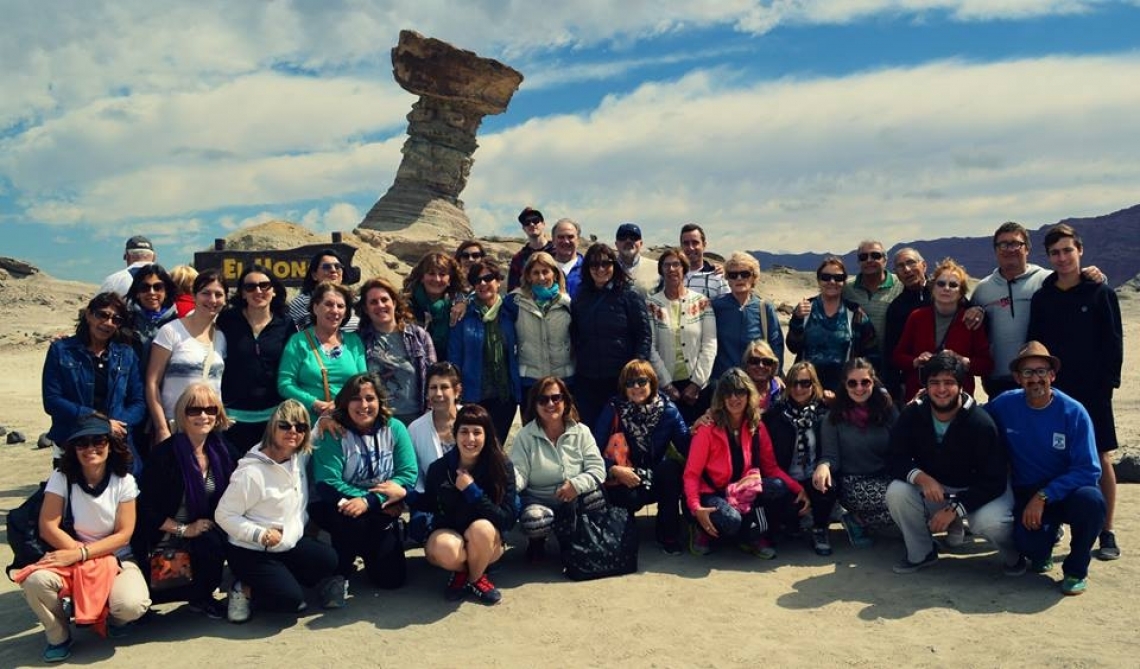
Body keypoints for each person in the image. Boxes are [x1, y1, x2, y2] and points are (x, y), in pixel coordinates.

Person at [16, 415, 149, 663]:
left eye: (98, 441)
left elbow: (123, 534)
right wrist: (79, 556)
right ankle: (58, 634)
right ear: (73, 448)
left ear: (110, 444)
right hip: (69, 557)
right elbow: (48, 527)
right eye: (82, 443)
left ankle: (112, 618)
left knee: (132, 605)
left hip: (117, 558)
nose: (90, 449)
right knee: (34, 582)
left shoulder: (124, 481)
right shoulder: (62, 477)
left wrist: (84, 554)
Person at [1027, 223, 1123, 561]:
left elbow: (1113, 342)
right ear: (1048, 257)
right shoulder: (1043, 297)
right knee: (1057, 456)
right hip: (1054, 391)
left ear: (1079, 250)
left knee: (1100, 456)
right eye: (1055, 252)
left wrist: (1108, 385)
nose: (1062, 257)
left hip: (1093, 391)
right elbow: (1036, 343)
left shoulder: (1100, 293)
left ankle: (1106, 531)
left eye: (1068, 250)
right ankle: (1055, 525)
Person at [985, 342, 1106, 596]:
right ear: (1017, 378)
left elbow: (1088, 470)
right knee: (1028, 545)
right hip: (1027, 489)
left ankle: (1076, 570)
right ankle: (1043, 547)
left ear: (1052, 375)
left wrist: (1045, 495)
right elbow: (972, 420)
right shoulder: (1004, 404)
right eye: (1027, 372)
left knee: (1092, 501)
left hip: (1067, 490)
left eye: (1041, 371)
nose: (1035, 378)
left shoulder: (1074, 412)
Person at [885, 352, 1019, 575]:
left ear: (961, 385)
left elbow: (994, 480)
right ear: (926, 386)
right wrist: (922, 478)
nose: (941, 389)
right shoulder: (913, 413)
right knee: (897, 492)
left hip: (979, 492)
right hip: (938, 488)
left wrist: (955, 509)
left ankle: (1014, 556)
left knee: (992, 522)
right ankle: (922, 552)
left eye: (949, 382)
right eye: (934, 382)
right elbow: (894, 457)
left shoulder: (980, 422)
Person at [215, 400, 340, 622]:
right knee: (290, 601)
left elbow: (314, 435)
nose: (293, 431)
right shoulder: (251, 472)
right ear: (273, 427)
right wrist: (259, 534)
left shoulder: (296, 456)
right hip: (251, 549)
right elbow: (223, 515)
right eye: (285, 425)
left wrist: (322, 421)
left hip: (286, 543)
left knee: (327, 560)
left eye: (300, 427)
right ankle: (243, 589)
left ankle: (280, 580)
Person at [310, 373, 417, 596]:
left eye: (370, 398)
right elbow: (327, 483)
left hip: (377, 507)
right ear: (345, 402)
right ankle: (340, 571)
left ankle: (372, 550)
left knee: (392, 580)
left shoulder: (395, 428)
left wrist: (370, 501)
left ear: (380, 401)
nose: (364, 405)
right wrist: (373, 502)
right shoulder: (334, 431)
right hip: (339, 505)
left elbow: (407, 474)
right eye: (356, 399)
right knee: (352, 520)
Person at [135, 383, 236, 618]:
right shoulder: (164, 455)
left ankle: (203, 596)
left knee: (215, 540)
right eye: (194, 410)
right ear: (183, 414)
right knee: (145, 598)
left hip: (205, 531)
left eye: (210, 410)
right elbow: (146, 508)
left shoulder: (222, 449)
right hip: (166, 535)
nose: (203, 416)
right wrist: (184, 529)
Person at [684, 369, 806, 558]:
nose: (734, 398)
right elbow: (692, 474)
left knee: (778, 487)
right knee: (730, 520)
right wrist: (695, 507)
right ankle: (701, 528)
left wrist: (799, 489)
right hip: (712, 492)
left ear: (749, 395)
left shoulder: (756, 426)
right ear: (721, 397)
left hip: (742, 491)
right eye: (728, 393)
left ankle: (751, 534)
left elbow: (771, 468)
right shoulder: (707, 428)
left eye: (740, 392)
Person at [416, 404, 519, 605]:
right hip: (452, 536)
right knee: (443, 546)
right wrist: (405, 496)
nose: (470, 439)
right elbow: (430, 504)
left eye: (477, 432)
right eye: (464, 432)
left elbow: (507, 519)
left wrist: (472, 491)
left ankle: (474, 579)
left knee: (482, 529)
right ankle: (464, 573)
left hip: (488, 543)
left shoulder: (502, 467)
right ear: (455, 434)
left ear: (487, 435)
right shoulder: (439, 468)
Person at [592, 360, 691, 555]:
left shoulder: (668, 410)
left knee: (671, 470)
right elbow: (592, 452)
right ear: (624, 387)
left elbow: (687, 447)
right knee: (626, 497)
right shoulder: (613, 409)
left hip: (653, 475)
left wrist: (705, 428)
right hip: (623, 477)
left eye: (642, 381)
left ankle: (668, 535)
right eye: (630, 383)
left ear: (652, 383)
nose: (636, 387)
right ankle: (622, 531)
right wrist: (613, 469)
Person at [42, 292, 146, 473]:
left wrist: (119, 424)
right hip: (74, 440)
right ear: (89, 315)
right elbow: (52, 400)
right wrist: (98, 422)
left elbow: (138, 402)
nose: (108, 323)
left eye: (116, 319)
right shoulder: (62, 350)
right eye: (102, 315)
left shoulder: (126, 355)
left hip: (116, 442)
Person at [510, 376, 606, 563]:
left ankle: (581, 538)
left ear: (565, 401)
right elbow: (519, 471)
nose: (550, 404)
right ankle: (537, 542)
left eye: (556, 398)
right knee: (534, 519)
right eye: (543, 399)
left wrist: (576, 485)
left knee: (597, 496)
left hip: (574, 498)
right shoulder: (525, 436)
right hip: (540, 499)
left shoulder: (582, 431)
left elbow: (597, 469)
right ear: (535, 404)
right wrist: (509, 486)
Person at [812, 358, 897, 548]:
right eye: (852, 383)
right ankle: (858, 518)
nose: (859, 388)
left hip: (885, 477)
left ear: (873, 383)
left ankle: (858, 520)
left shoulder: (887, 411)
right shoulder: (833, 418)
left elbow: (902, 442)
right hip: (853, 483)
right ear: (845, 385)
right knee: (907, 505)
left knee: (915, 502)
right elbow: (830, 456)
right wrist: (824, 465)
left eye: (865, 382)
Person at [571, 243, 653, 429]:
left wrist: (636, 372)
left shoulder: (629, 294)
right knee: (591, 432)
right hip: (587, 379)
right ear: (587, 268)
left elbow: (644, 335)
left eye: (606, 263)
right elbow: (575, 335)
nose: (600, 269)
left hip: (621, 379)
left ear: (614, 265)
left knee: (621, 433)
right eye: (594, 264)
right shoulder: (580, 297)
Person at [216, 265, 294, 453]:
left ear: (274, 291)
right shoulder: (227, 320)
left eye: (264, 285)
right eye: (250, 287)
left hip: (274, 418)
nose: (258, 291)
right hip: (232, 419)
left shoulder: (286, 324)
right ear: (242, 293)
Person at [892, 258, 994, 401]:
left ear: (961, 292)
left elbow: (986, 365)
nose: (946, 288)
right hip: (920, 397)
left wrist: (962, 360)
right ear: (933, 288)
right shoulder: (917, 317)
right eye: (941, 284)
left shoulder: (970, 320)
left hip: (958, 399)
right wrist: (916, 361)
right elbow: (898, 356)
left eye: (953, 285)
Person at [146, 269, 228, 446]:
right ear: (194, 296)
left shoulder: (221, 337)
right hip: (175, 427)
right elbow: (152, 383)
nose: (212, 300)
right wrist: (161, 428)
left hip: (209, 428)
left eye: (218, 294)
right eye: (206, 293)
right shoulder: (171, 332)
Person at [763, 361, 836, 556]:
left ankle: (820, 529)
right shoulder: (776, 414)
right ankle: (786, 525)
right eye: (793, 383)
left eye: (805, 383)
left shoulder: (824, 413)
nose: (799, 388)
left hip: (813, 475)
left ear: (814, 384)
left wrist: (824, 466)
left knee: (828, 483)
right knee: (777, 495)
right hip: (786, 478)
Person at [448, 259, 521, 443]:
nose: (482, 283)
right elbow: (454, 357)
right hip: (473, 396)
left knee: (497, 446)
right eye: (477, 280)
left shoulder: (510, 311)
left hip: (505, 397)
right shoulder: (463, 315)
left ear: (498, 281)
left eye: (488, 278)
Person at [277, 281, 366, 422]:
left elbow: (363, 382)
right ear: (315, 307)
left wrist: (339, 404)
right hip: (309, 423)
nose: (335, 310)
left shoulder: (353, 342)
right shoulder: (298, 341)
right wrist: (314, 403)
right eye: (328, 304)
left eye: (340, 306)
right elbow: (285, 383)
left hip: (348, 420)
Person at [647, 247, 717, 425]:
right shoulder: (652, 304)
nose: (671, 269)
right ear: (661, 270)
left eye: (676, 264)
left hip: (698, 388)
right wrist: (667, 385)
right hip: (665, 387)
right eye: (666, 265)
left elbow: (710, 344)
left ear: (684, 268)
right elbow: (650, 347)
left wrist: (696, 384)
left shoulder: (702, 302)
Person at [786, 256, 876, 391]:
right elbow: (793, 347)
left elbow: (871, 352)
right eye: (826, 277)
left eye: (838, 278)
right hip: (806, 388)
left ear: (844, 281)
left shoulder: (854, 312)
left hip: (844, 390)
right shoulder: (806, 308)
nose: (832, 282)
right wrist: (797, 320)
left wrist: (862, 384)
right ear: (818, 280)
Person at [358, 277, 437, 426]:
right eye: (373, 302)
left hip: (417, 418)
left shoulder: (419, 336)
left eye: (384, 300)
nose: (380, 305)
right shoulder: (360, 340)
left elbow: (433, 378)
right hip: (377, 420)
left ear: (394, 302)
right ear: (366, 309)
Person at [406, 361, 463, 543]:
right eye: (433, 388)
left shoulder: (474, 418)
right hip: (433, 498)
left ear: (457, 391)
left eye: (444, 387)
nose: (438, 394)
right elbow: (414, 475)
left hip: (469, 494)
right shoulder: (415, 428)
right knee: (420, 526)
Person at [503, 251, 574, 396]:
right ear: (528, 276)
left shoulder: (568, 304)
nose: (541, 277)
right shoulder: (514, 302)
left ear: (555, 274)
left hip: (563, 380)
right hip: (530, 381)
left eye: (545, 272)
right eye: (536, 273)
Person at [711, 251, 784, 379]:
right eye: (733, 275)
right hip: (723, 381)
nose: (739, 278)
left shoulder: (764, 307)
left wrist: (775, 374)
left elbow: (776, 343)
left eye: (745, 274)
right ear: (727, 279)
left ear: (754, 277)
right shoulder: (716, 307)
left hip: (756, 380)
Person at [842, 240, 902, 371]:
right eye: (863, 257)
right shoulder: (847, 288)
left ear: (885, 260)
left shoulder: (901, 285)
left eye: (875, 256)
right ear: (858, 262)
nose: (869, 260)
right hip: (859, 366)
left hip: (894, 363)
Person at [882, 248, 930, 401]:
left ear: (924, 265)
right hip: (914, 383)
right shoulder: (897, 308)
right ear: (896, 273)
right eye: (900, 266)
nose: (907, 270)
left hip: (953, 379)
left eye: (911, 263)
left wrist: (977, 310)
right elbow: (892, 352)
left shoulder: (945, 292)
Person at [404, 252, 465, 360]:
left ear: (450, 280)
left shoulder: (457, 307)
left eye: (442, 274)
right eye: (431, 273)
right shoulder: (405, 304)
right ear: (422, 277)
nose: (437, 279)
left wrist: (463, 302)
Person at [287, 249, 359, 332]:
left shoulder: (355, 301)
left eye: (337, 266)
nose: (333, 270)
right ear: (314, 275)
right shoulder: (302, 301)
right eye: (326, 267)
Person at [124, 264, 179, 372]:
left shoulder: (177, 323)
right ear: (137, 293)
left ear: (166, 292)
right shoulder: (126, 321)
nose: (151, 292)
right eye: (145, 288)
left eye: (158, 287)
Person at [508, 206, 554, 291]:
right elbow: (512, 290)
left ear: (543, 224)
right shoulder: (518, 258)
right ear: (523, 228)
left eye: (535, 220)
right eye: (527, 222)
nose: (532, 224)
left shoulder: (556, 251)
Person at [679, 223, 728, 298]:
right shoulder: (671, 276)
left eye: (695, 243)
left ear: (704, 245)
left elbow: (727, 304)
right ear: (681, 246)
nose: (691, 247)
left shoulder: (718, 276)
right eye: (686, 243)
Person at [614, 222, 658, 298]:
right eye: (623, 237)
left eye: (633, 237)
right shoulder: (605, 270)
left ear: (641, 243)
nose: (628, 241)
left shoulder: (657, 268)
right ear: (616, 244)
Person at [740, 340, 784, 411]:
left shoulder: (781, 392)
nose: (761, 365)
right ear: (747, 365)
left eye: (767, 362)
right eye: (754, 361)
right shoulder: (737, 392)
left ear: (773, 366)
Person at [550, 218, 585, 298]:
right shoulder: (543, 268)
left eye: (570, 237)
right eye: (561, 237)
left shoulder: (589, 268)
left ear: (578, 240)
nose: (566, 241)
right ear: (553, 240)